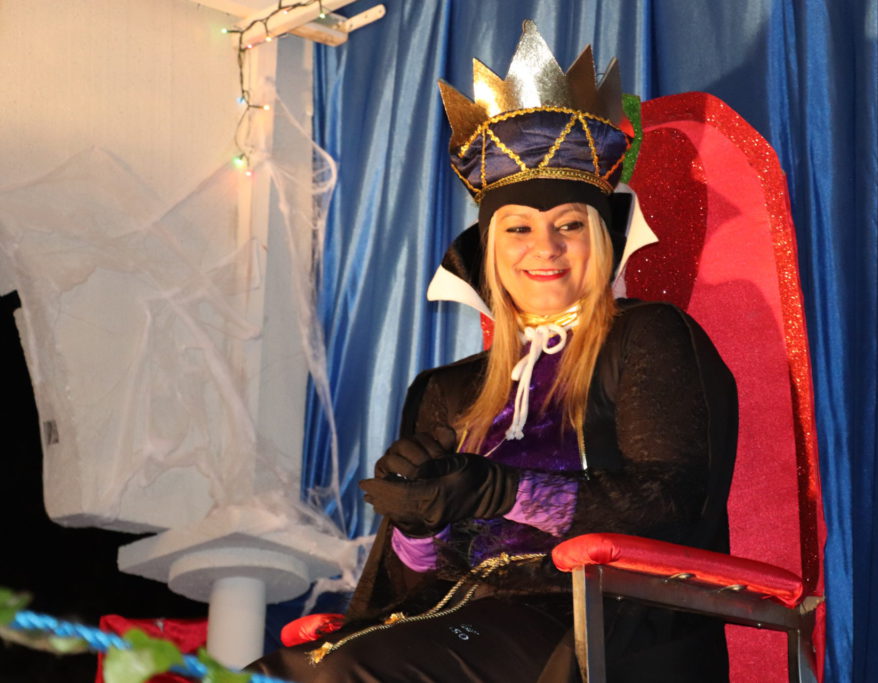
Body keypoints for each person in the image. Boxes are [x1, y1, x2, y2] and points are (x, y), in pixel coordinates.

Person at [251, 21, 737, 682]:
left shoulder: (649, 335)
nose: (546, 247)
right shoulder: (446, 389)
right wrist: (419, 520)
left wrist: (503, 489)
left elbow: (673, 504)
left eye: (569, 224)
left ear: (601, 237)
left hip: (593, 619)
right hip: (456, 615)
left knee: (355, 673)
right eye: (519, 228)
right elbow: (414, 581)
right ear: (489, 248)